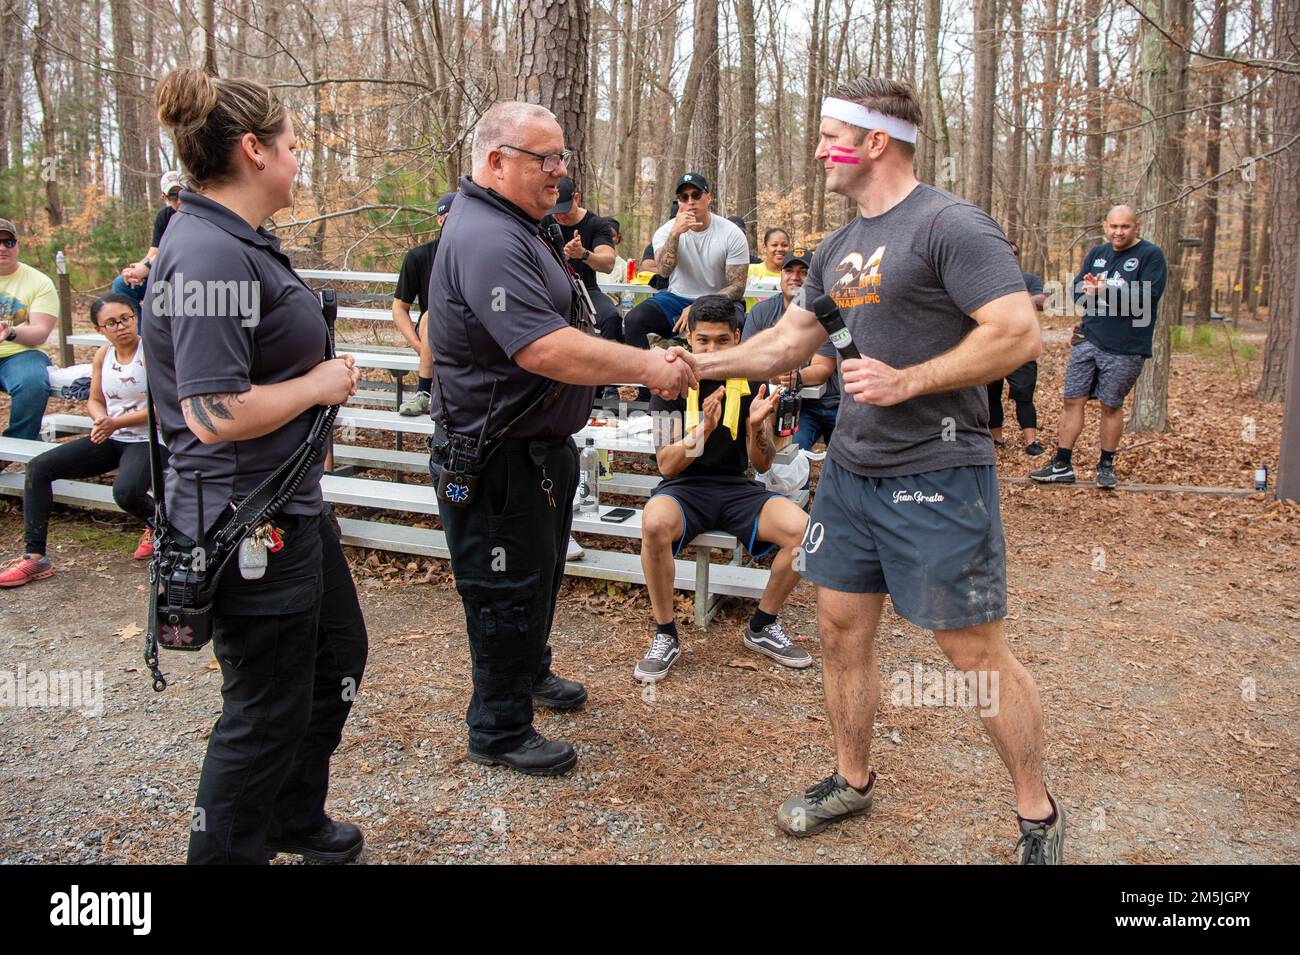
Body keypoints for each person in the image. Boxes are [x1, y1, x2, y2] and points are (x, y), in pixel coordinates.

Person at [667, 77, 1062, 863]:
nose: (817, 150)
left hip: (939, 471)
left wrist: (911, 380)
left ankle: (1037, 812)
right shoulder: (841, 249)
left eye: (828, 136)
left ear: (873, 142)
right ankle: (852, 777)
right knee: (842, 628)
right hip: (851, 473)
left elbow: (1018, 334)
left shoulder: (951, 225)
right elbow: (787, 343)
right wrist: (696, 368)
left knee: (972, 652)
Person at [427, 100, 696, 777]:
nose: (559, 171)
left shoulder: (523, 223)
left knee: (539, 576)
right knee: (503, 588)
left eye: (561, 157)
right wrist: (647, 366)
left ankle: (529, 674)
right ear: (495, 161)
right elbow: (542, 348)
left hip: (538, 449)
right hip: (494, 457)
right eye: (543, 159)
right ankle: (498, 726)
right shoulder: (487, 235)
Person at [144, 67, 368, 865]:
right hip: (243, 520)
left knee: (336, 657)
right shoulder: (206, 252)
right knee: (264, 709)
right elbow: (209, 412)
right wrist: (320, 382)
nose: (299, 159)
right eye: (293, 145)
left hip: (288, 505)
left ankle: (290, 816)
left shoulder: (237, 241)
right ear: (253, 149)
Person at [636, 295, 812, 682]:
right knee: (652, 525)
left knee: (807, 534)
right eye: (703, 341)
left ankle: (763, 625)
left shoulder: (751, 382)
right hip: (684, 488)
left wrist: (754, 429)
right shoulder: (671, 384)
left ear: (738, 338)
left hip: (736, 487)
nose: (711, 350)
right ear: (689, 341)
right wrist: (702, 432)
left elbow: (763, 463)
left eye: (721, 341)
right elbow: (666, 464)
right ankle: (665, 633)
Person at [0, 294, 162, 587]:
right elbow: (95, 399)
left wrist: (114, 423)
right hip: (111, 435)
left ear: (136, 317)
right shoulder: (103, 355)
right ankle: (35, 558)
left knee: (125, 493)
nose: (122, 326)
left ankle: (160, 525)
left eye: (127, 318)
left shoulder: (152, 352)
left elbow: (163, 408)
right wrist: (101, 419)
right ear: (100, 330)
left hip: (150, 438)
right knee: (39, 468)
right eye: (111, 323)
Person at [1030, 204, 1167, 489]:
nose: (1119, 232)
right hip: (1089, 338)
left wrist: (1107, 290)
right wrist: (1087, 291)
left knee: (1110, 405)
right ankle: (1061, 463)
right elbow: (1078, 290)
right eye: (1114, 226)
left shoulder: (1150, 255)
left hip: (1126, 345)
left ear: (1136, 227)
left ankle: (1106, 465)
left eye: (1125, 226)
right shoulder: (1097, 254)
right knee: (1072, 400)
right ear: (1106, 226)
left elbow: (1147, 297)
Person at [622, 174, 749, 349]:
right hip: (677, 298)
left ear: (708, 197)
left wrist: (699, 305)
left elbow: (737, 287)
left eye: (696, 195)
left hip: (718, 298)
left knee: (735, 326)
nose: (691, 201)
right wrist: (675, 234)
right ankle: (645, 373)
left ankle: (715, 375)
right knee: (633, 320)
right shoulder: (666, 232)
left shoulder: (731, 233)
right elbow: (664, 271)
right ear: (679, 202)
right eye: (684, 197)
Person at [741, 246, 840, 454]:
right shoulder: (762, 312)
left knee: (849, 455)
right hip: (789, 405)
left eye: (803, 272)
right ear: (780, 274)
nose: (795, 277)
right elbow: (747, 360)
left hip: (831, 403)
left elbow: (823, 368)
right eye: (789, 270)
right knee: (790, 455)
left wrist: (795, 376)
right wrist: (773, 374)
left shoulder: (825, 313)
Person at [393, 191, 456, 416]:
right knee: (431, 315)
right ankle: (423, 393)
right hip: (433, 331)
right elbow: (399, 308)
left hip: (466, 330)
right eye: (452, 217)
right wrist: (420, 348)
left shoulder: (476, 255)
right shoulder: (419, 257)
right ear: (440, 220)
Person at [543, 177, 620, 343]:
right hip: (550, 292)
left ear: (576, 198)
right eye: (555, 211)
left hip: (586, 291)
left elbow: (608, 263)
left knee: (611, 318)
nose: (560, 216)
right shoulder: (544, 221)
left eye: (564, 210)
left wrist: (583, 254)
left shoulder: (596, 224)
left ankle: (609, 364)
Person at [987, 240, 1046, 456]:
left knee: (1023, 395)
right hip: (991, 347)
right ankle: (996, 439)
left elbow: (1042, 300)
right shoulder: (985, 278)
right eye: (1004, 251)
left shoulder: (1028, 280)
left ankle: (1031, 442)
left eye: (1013, 252)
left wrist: (1020, 300)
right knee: (990, 395)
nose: (1009, 255)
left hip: (1020, 348)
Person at [0, 218, 57, 440]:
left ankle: (14, 447)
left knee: (32, 382)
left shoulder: (39, 282)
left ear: (18, 245)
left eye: (9, 242)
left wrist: (10, 332)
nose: (3, 248)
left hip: (20, 353)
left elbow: (41, 331)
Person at [113, 171, 184, 317]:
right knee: (122, 284)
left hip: (185, 276)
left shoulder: (194, 215)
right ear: (164, 197)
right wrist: (135, 272)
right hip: (164, 273)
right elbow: (154, 252)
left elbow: (176, 249)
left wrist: (147, 266)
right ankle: (139, 337)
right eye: (173, 196)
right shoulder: (164, 216)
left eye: (183, 194)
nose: (179, 200)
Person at [748, 227, 792, 293]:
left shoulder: (794, 276)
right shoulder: (750, 271)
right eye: (774, 245)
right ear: (764, 247)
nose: (780, 249)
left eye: (784, 245)